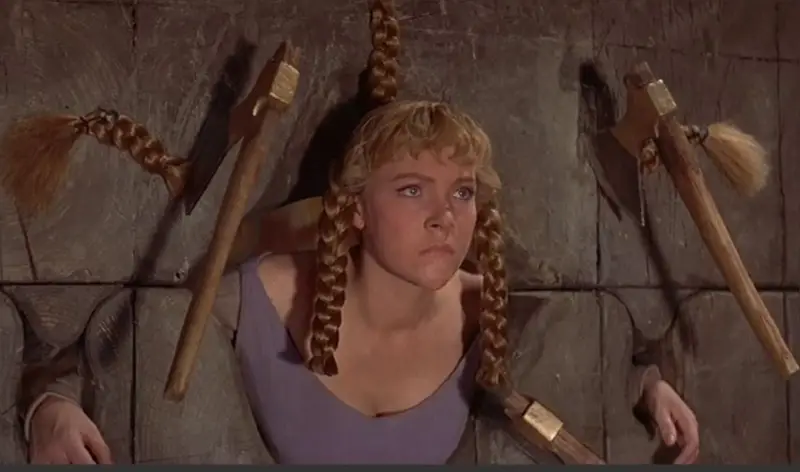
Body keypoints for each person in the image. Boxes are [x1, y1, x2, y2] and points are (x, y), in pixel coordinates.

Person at [19, 0, 700, 465]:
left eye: (463, 192)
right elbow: (120, 345)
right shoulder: (261, 296)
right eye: (412, 189)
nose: (445, 215)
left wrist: (647, 387)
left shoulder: (492, 308)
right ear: (356, 210)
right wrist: (49, 409)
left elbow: (590, 353)